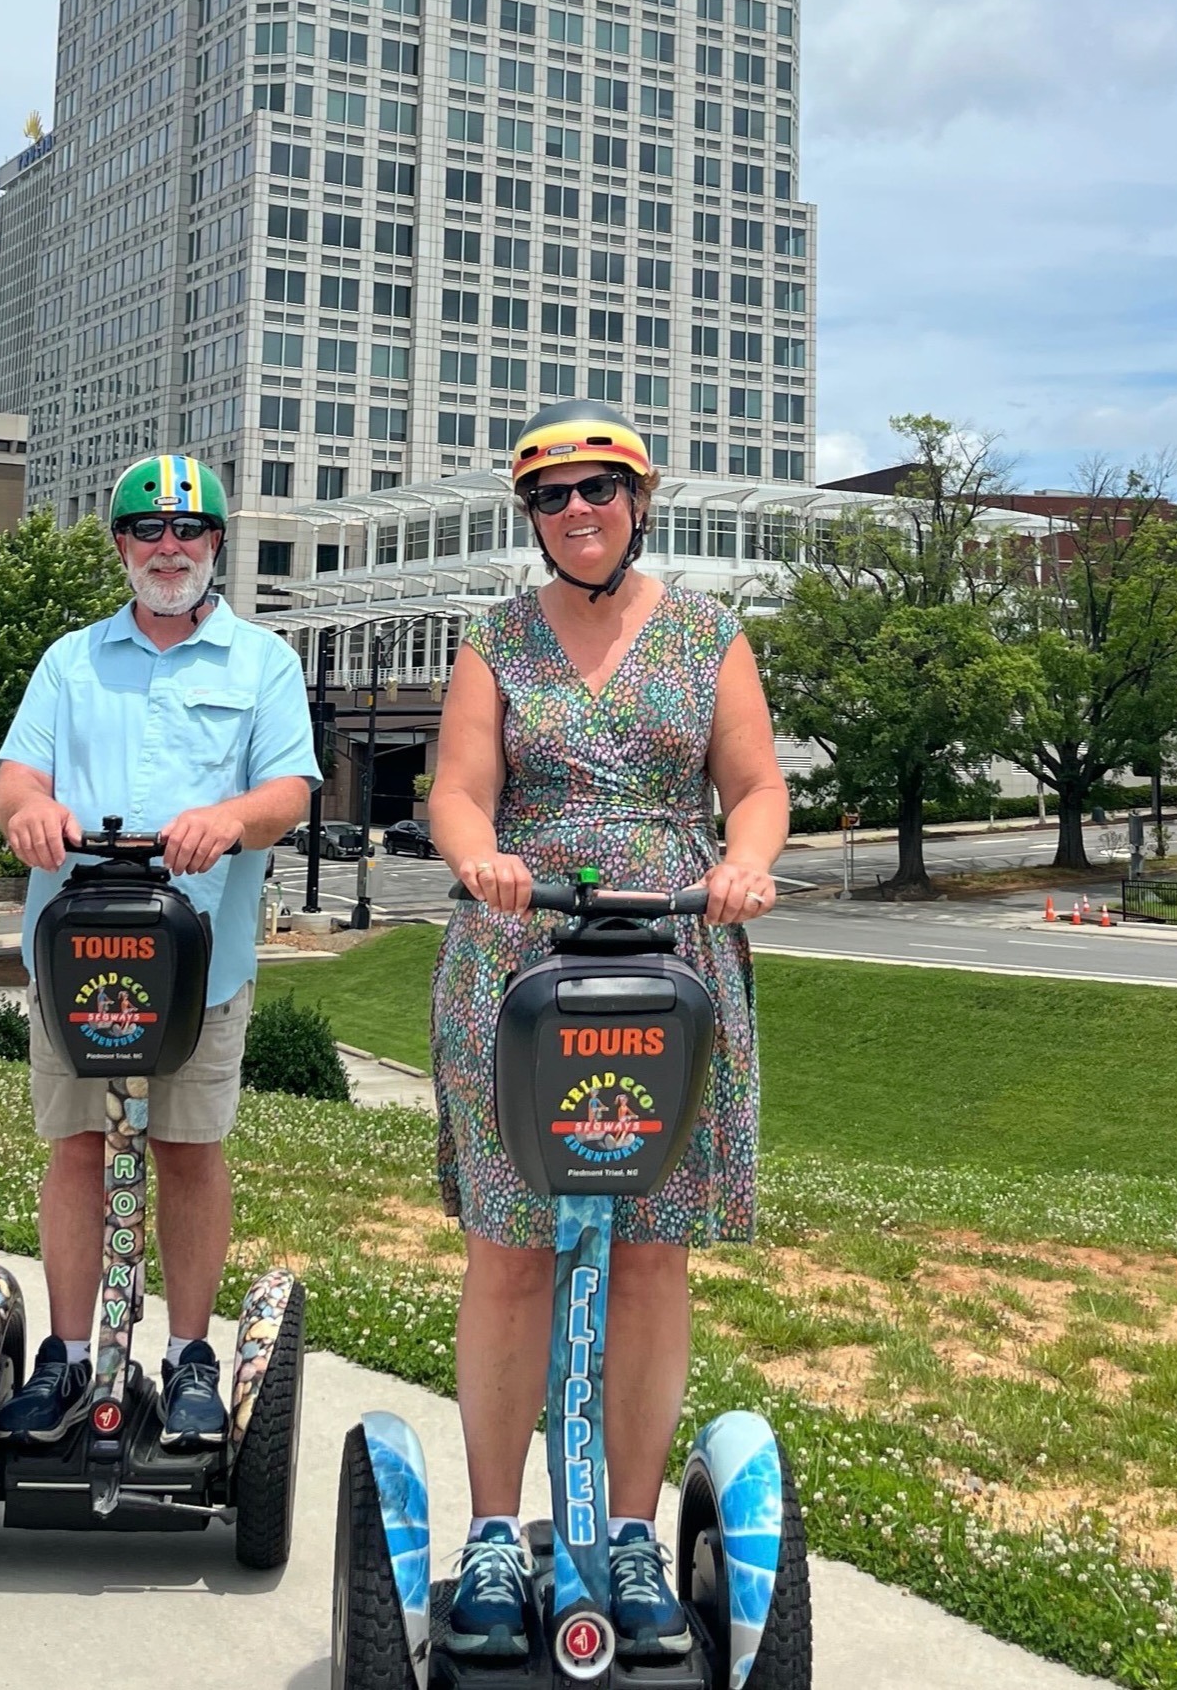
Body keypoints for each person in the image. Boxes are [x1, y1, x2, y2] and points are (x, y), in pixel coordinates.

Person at [427, 403, 789, 1662]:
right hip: (522, 947)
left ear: (640, 499)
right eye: (550, 496)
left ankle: (630, 1531)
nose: (575, 510)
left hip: (669, 943)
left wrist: (745, 863)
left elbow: (753, 785)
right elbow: (460, 790)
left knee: (647, 1249)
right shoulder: (495, 639)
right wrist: (482, 861)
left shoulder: (705, 633)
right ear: (530, 518)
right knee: (512, 1244)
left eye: (597, 488)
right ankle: (487, 1529)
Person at [0, 454, 319, 1447]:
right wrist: (32, 809)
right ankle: (69, 1352)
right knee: (78, 1148)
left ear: (216, 545)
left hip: (198, 961)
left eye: (188, 531)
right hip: (78, 956)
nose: (167, 547)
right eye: (147, 531)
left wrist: (227, 817)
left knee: (187, 1149)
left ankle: (186, 1354)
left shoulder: (260, 662)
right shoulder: (71, 659)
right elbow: (13, 779)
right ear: (123, 547)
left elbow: (289, 793)